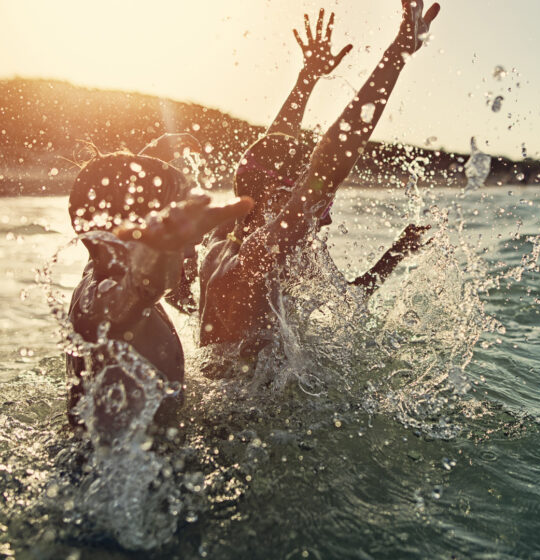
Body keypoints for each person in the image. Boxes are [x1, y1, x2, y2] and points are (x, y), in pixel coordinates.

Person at [198, 1, 441, 358]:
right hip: (248, 412)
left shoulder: (224, 239)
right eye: (320, 202)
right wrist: (398, 53)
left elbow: (267, 160)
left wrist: (307, 78)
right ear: (279, 199)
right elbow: (328, 165)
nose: (325, 217)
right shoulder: (259, 254)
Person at [65, 148, 252, 439]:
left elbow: (111, 227)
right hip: (128, 480)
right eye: (174, 222)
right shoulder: (106, 303)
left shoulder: (96, 271)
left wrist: (146, 158)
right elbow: (140, 291)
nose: (197, 241)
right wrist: (163, 249)